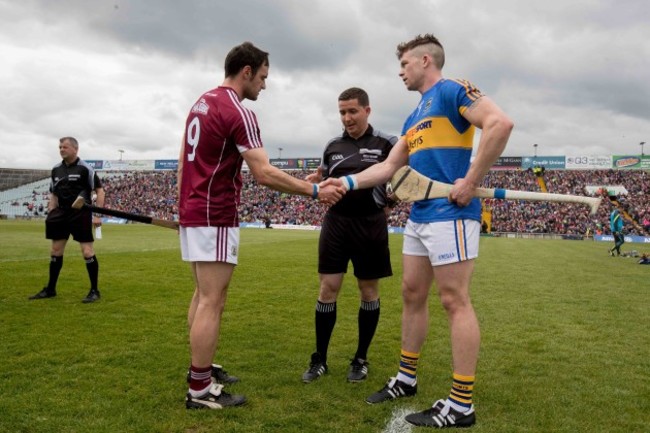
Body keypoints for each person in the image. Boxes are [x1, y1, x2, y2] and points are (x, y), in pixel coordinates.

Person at [323, 34, 513, 428]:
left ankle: (461, 403)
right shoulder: (413, 118)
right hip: (420, 216)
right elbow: (388, 167)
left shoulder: (452, 91)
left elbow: (500, 123)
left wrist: (471, 178)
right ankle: (406, 378)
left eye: (405, 65)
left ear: (425, 61)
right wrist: (349, 183)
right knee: (412, 294)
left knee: (454, 300)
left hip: (452, 213)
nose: (400, 71)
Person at [178, 41, 344, 410]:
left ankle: (199, 370)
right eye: (264, 77)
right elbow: (264, 173)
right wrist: (314, 191)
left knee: (201, 295)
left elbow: (182, 159)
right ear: (247, 71)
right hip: (215, 213)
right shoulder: (238, 110)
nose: (264, 87)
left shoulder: (201, 103)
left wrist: (181, 207)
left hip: (194, 210)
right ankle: (200, 390)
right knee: (212, 300)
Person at [301, 87, 397, 384]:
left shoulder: (387, 143)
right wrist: (317, 180)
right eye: (342, 112)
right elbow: (324, 174)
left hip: (370, 224)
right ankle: (320, 359)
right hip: (337, 222)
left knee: (368, 291)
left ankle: (360, 358)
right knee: (327, 288)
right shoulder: (333, 145)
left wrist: (391, 199)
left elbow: (400, 179)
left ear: (367, 110)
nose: (347, 117)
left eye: (352, 111)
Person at [29, 137, 105, 303]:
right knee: (55, 251)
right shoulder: (56, 169)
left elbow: (100, 191)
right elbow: (54, 193)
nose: (61, 149)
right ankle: (50, 289)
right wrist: (51, 211)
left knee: (87, 251)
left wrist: (98, 215)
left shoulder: (85, 168)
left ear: (75, 149)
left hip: (80, 213)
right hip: (60, 214)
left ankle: (94, 291)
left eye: (65, 147)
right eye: (60, 147)